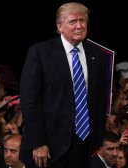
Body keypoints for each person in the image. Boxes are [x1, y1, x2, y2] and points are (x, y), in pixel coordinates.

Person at [19, 2, 107, 168]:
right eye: (73, 21)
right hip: (48, 147)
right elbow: (29, 101)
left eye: (82, 21)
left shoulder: (97, 55)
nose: (79, 26)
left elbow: (100, 100)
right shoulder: (40, 52)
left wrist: (97, 141)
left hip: (83, 144)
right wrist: (38, 142)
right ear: (59, 26)